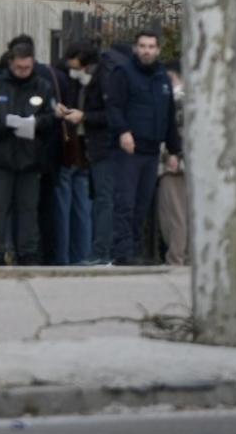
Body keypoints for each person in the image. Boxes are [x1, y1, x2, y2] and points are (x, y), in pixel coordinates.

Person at [0, 39, 60, 265]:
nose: (23, 72)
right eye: (18, 68)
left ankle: (28, 254)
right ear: (11, 63)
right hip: (0, 157)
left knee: (28, 210)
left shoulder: (42, 86)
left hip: (30, 158)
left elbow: (51, 118)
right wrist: (3, 126)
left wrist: (34, 124)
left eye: (27, 68)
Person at [105, 29, 181, 265]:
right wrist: (123, 131)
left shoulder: (162, 77)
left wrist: (174, 150)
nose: (146, 51)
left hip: (152, 150)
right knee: (125, 203)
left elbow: (168, 115)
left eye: (151, 46)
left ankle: (136, 250)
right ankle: (123, 253)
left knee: (142, 204)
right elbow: (114, 106)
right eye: (143, 46)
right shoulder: (123, 73)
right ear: (136, 48)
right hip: (129, 148)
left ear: (157, 50)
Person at [50, 46, 98, 266]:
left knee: (64, 208)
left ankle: (63, 258)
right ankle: (83, 255)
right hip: (84, 151)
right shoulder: (88, 80)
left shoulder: (56, 77)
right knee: (82, 207)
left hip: (66, 150)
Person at [76, 42, 122, 266]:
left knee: (104, 200)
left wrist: (84, 116)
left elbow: (108, 113)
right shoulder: (107, 73)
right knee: (103, 199)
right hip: (99, 147)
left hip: (104, 147)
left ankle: (102, 251)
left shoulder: (104, 76)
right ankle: (104, 250)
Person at [157, 68, 190, 266]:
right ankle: (186, 256)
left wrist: (172, 155)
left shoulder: (176, 101)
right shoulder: (195, 101)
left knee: (173, 214)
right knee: (187, 214)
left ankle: (177, 257)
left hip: (173, 163)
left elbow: (175, 133)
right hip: (190, 165)